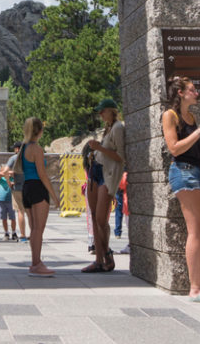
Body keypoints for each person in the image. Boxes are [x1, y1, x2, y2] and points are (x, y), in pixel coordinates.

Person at [161, 76, 200, 303]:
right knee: (195, 230)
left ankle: (199, 281)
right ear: (181, 93)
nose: (196, 93)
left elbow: (192, 147)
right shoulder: (170, 115)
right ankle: (196, 289)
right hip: (182, 172)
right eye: (192, 90)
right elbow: (175, 149)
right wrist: (199, 132)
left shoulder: (192, 117)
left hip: (198, 172)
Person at [82, 98, 125, 273]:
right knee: (94, 217)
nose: (100, 114)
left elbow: (121, 157)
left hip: (108, 175)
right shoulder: (108, 128)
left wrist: (99, 148)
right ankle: (99, 259)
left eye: (103, 111)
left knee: (100, 218)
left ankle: (106, 253)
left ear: (111, 111)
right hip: (97, 171)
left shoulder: (118, 128)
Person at [18, 117, 59, 276]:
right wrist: (54, 195)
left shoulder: (24, 147)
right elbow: (42, 174)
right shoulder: (37, 149)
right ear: (40, 131)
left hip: (27, 187)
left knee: (33, 228)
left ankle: (35, 262)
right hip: (37, 187)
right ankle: (36, 263)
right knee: (38, 229)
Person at [0, 142, 28, 242]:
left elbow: (5, 171)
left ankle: (23, 235)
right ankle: (34, 234)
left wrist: (9, 182)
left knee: (20, 211)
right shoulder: (30, 157)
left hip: (18, 187)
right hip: (30, 186)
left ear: (17, 149)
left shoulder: (13, 158)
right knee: (31, 212)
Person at [0, 174, 16, 240]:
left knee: (12, 218)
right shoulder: (2, 179)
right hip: (2, 200)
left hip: (11, 200)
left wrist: (12, 179)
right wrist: (5, 173)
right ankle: (6, 233)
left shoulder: (14, 179)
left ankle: (14, 233)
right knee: (3, 218)